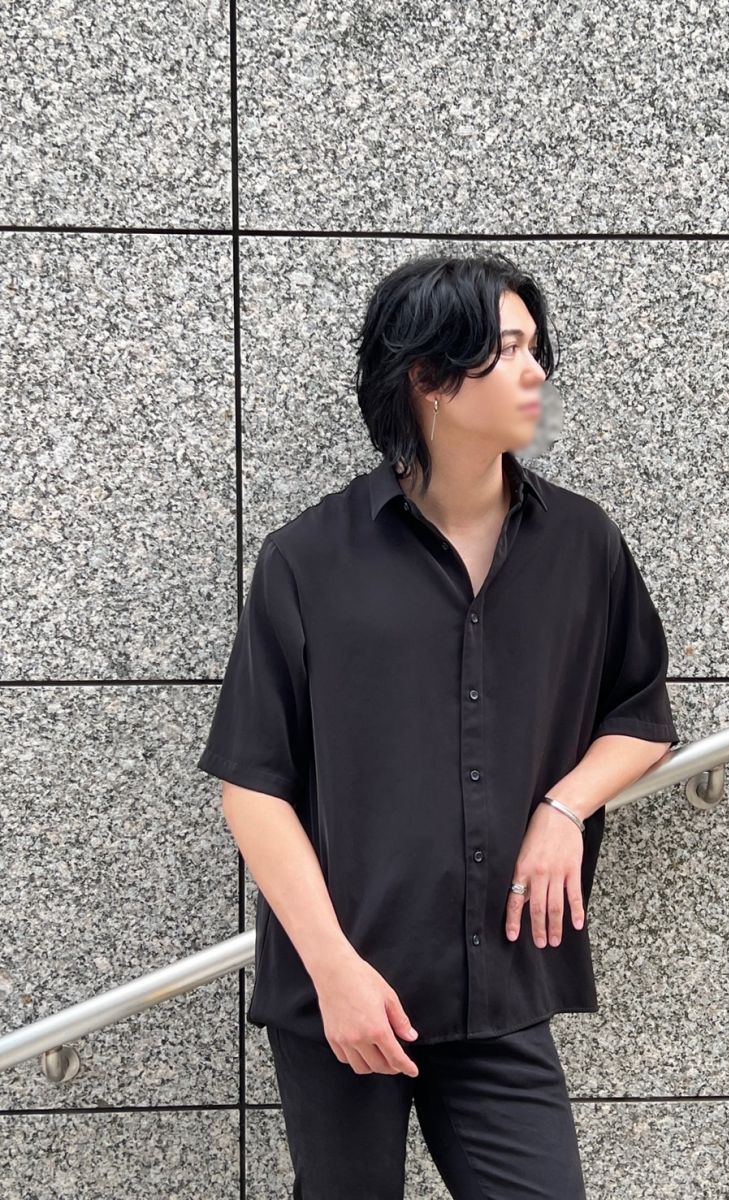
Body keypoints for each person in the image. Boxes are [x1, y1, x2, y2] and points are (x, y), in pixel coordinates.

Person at [197, 251, 680, 1198]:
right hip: (342, 992)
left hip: (499, 993)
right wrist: (335, 973)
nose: (537, 372)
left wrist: (565, 808)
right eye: (509, 350)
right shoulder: (308, 560)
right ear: (428, 376)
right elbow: (252, 786)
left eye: (537, 349)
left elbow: (642, 714)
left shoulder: (582, 544)